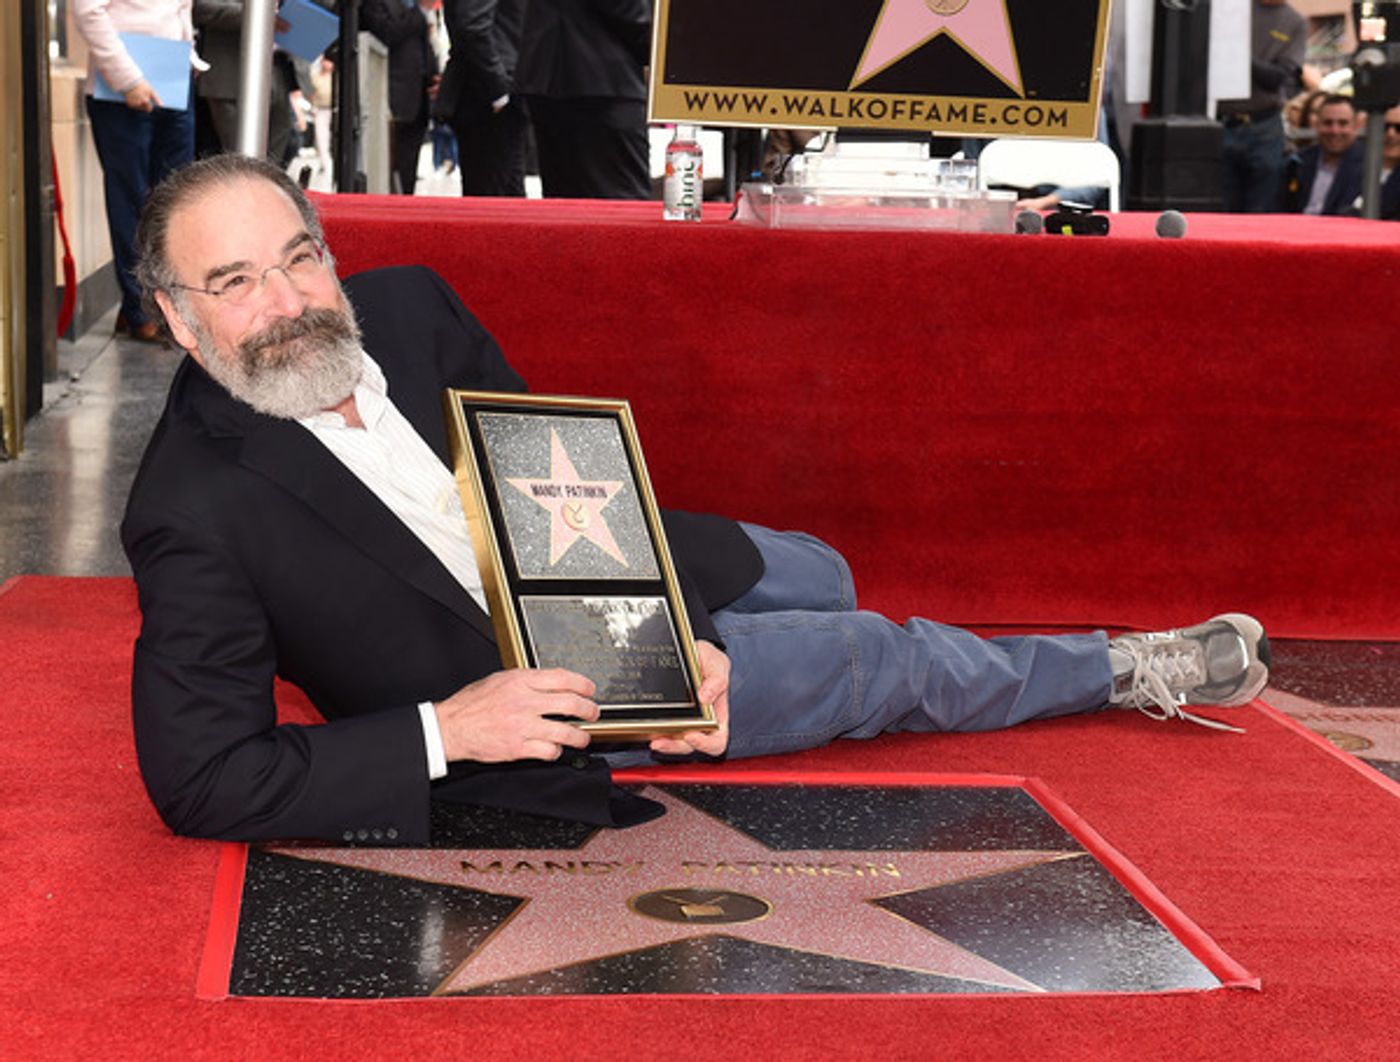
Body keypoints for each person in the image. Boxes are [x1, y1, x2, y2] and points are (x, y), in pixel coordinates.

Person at [124, 155, 1271, 845]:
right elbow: (202, 779)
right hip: (544, 704)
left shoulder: (412, 306)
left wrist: (659, 634)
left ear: (329, 250)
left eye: (299, 259)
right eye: (233, 282)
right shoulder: (191, 508)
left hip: (606, 585)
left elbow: (543, 465)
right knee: (884, 655)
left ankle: (751, 641)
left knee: (819, 571)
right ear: (176, 318)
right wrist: (455, 730)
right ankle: (1126, 668)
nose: (288, 302)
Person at [73, 0, 198, 343]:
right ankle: (141, 308)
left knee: (174, 200)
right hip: (120, 90)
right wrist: (128, 79)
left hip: (173, 80)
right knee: (131, 200)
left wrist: (188, 57)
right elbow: (87, 11)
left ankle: (147, 305)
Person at [515, 0, 651, 199]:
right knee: (622, 199)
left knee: (565, 199)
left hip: (550, 72)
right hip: (602, 77)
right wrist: (663, 49)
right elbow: (629, 12)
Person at [1217, 0, 1307, 213]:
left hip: (1263, 125)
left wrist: (1239, 55)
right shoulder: (1232, 10)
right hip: (1221, 122)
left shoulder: (1294, 22)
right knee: (1219, 207)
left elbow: (1278, 77)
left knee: (1261, 208)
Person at [435, 0, 529, 197]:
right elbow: (472, 25)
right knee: (493, 204)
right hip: (488, 96)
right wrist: (498, 88)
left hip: (495, 91)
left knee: (508, 201)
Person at [192, 0, 295, 163]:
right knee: (241, 161)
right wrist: (260, 15)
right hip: (231, 75)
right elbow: (200, 7)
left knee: (277, 156)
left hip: (277, 73)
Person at [361, 0, 440, 196]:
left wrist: (434, 75)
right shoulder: (378, 4)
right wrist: (420, 11)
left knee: (408, 169)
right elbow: (387, 33)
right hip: (392, 96)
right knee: (390, 167)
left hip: (419, 97)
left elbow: (424, 46)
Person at [1282, 94, 1364, 215]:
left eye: (1343, 123)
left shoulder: (1369, 167)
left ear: (1356, 126)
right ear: (1317, 125)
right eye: (1327, 123)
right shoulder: (1299, 161)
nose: (1335, 130)